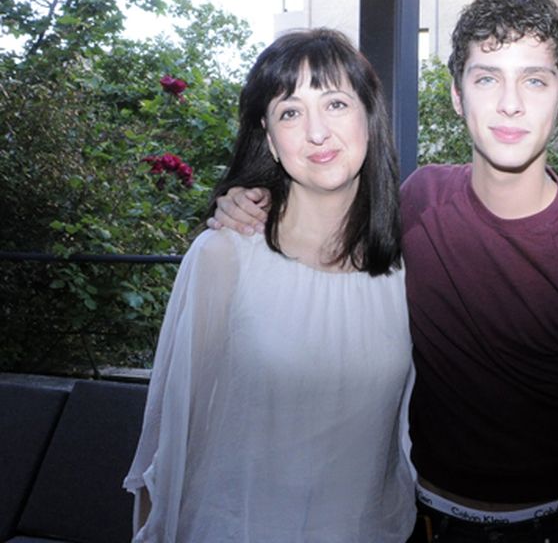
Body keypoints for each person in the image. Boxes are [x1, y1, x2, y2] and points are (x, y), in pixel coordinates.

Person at [210, 0, 558, 543]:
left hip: (539, 528)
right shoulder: (418, 201)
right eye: (487, 78)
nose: (509, 103)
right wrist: (249, 198)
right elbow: (326, 226)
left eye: (534, 80)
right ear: (456, 95)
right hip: (405, 515)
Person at [124, 28, 415, 542]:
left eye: (336, 104)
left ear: (369, 117)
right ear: (269, 136)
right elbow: (165, 441)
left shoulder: (408, 270)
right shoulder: (224, 256)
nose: (317, 132)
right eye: (290, 112)